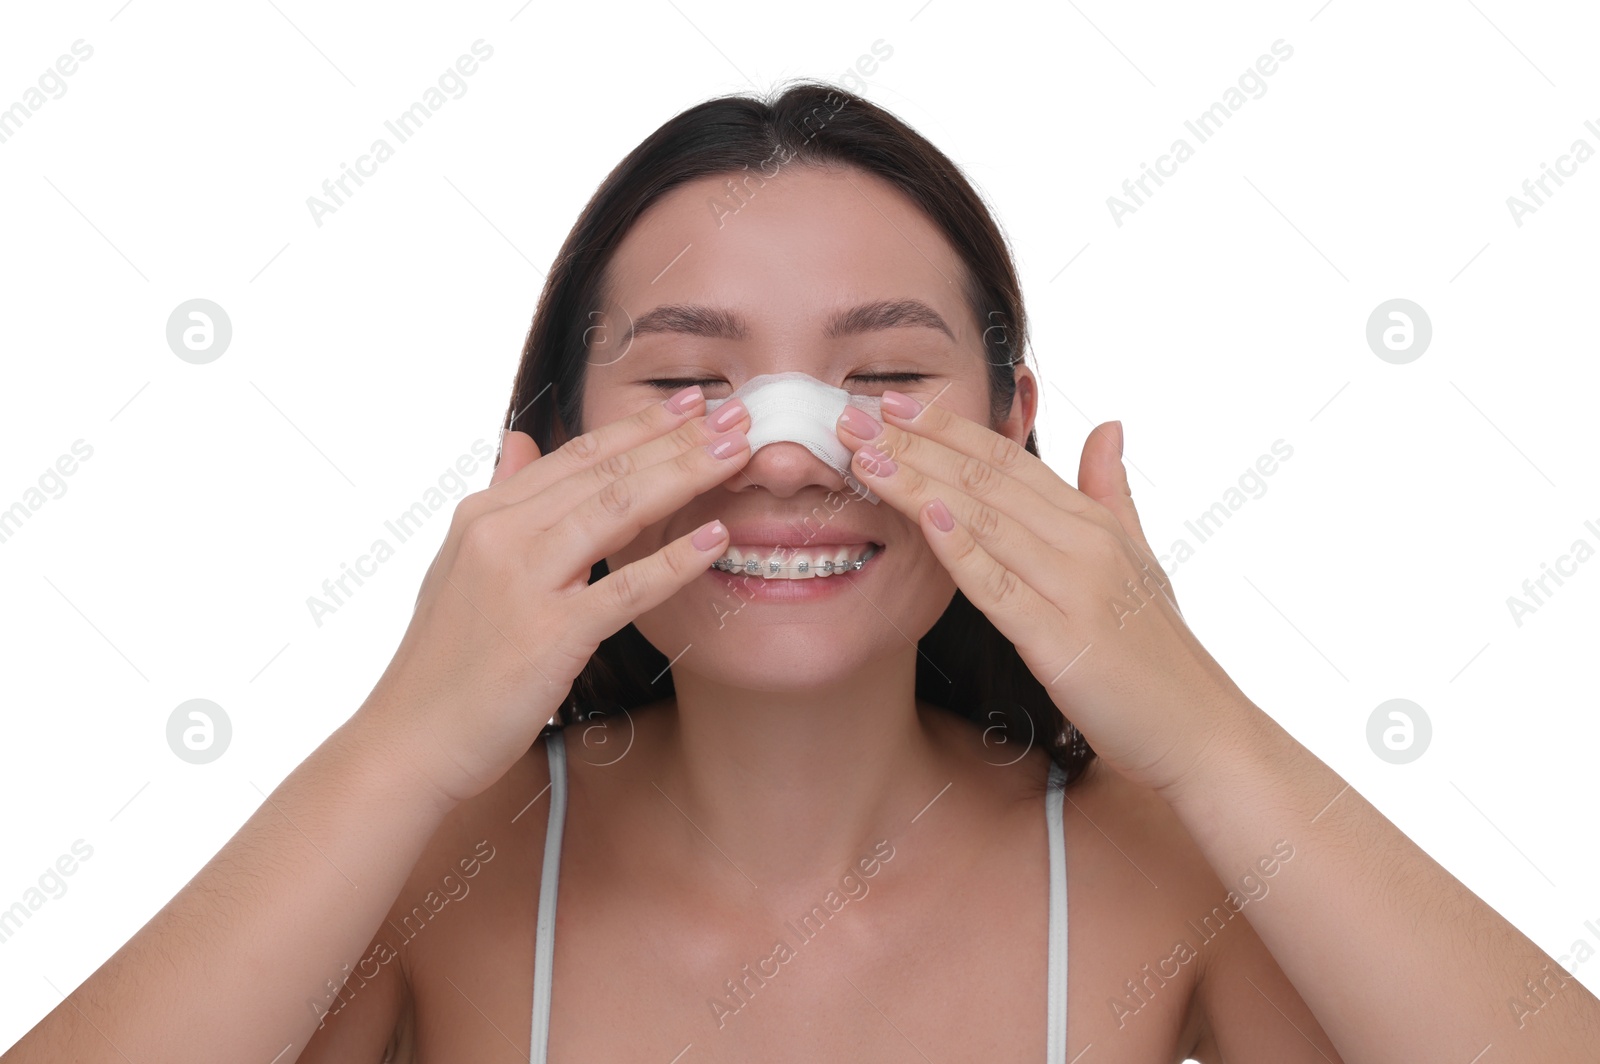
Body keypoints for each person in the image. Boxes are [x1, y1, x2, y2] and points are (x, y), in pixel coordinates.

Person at [8, 80, 1597, 1064]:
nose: (785, 454)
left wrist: (1206, 732)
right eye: (692, 377)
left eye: (884, 379)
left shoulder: (1160, 873)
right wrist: (401, 743)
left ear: (1011, 426)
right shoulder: (440, 871)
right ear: (559, 441)